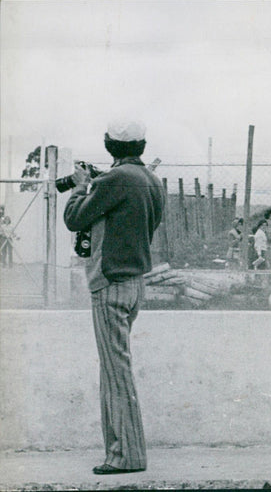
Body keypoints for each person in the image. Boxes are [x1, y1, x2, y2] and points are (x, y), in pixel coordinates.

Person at [63, 120, 164, 475]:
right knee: (114, 369)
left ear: (108, 145)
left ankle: (127, 457)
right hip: (135, 281)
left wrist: (80, 187)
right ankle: (120, 451)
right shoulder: (151, 180)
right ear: (142, 144)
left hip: (110, 283)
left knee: (116, 372)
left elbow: (75, 218)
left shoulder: (116, 180)